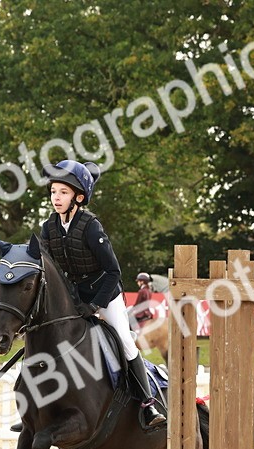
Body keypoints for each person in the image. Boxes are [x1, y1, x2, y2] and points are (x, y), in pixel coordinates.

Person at [39, 159, 165, 429]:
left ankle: (148, 404)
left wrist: (95, 305)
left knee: (125, 340)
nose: (56, 197)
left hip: (104, 294)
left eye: (63, 192)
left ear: (78, 197)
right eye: (53, 191)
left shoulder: (91, 226)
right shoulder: (49, 227)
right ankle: (39, 410)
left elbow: (113, 271)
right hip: (74, 296)